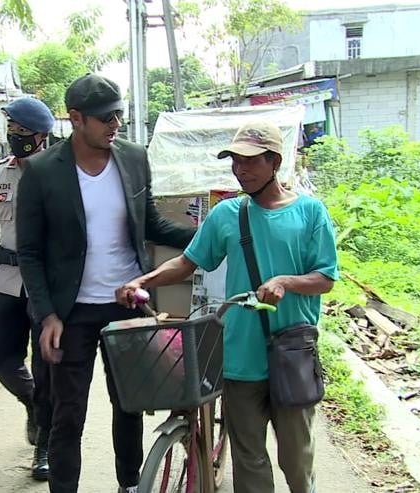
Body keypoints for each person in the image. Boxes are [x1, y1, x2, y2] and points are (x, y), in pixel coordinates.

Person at [116, 120, 339, 493]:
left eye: (251, 162)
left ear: (275, 163)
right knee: (249, 460)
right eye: (235, 161)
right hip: (239, 358)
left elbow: (326, 278)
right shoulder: (227, 215)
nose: (241, 170)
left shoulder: (310, 213)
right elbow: (187, 262)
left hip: (291, 353)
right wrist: (144, 281)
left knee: (296, 460)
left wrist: (285, 282)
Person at [16, 73, 196, 493]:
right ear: (75, 118)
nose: (115, 124)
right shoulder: (43, 171)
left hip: (127, 303)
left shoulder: (133, 158)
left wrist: (208, 237)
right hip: (71, 313)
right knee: (67, 415)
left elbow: (150, 224)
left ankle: (129, 485)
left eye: (118, 115)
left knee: (129, 405)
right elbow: (30, 253)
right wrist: (47, 315)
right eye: (105, 118)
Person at [0, 96, 55, 481]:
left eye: (23, 133)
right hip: (8, 281)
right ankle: (34, 403)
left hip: (48, 285)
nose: (14, 138)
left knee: (47, 363)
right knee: (0, 357)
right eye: (11, 131)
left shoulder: (60, 174)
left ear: (41, 136)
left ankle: (45, 447)